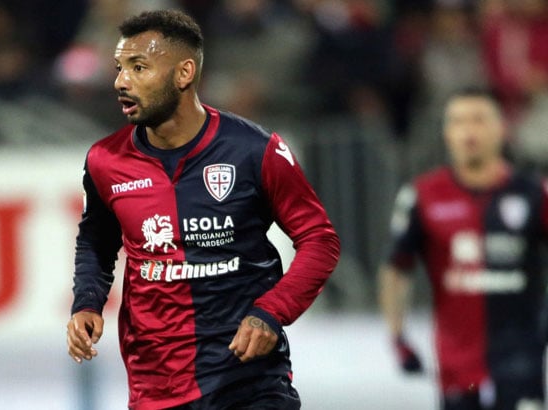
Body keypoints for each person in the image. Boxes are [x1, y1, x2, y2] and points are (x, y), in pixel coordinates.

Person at [66, 9, 340, 410]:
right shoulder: (105, 161)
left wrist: (271, 312)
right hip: (156, 385)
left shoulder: (254, 150)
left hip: (248, 379)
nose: (121, 82)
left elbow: (319, 240)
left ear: (184, 73)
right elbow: (95, 240)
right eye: (119, 67)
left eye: (138, 67)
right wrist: (87, 301)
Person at [379, 87, 548, 410]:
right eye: (457, 121)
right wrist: (397, 335)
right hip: (456, 364)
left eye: (479, 120)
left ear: (502, 127)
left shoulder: (533, 192)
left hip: (521, 358)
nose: (468, 130)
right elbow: (396, 267)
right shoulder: (423, 196)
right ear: (446, 132)